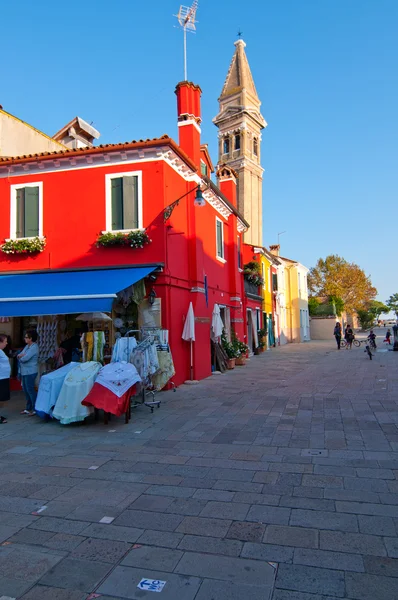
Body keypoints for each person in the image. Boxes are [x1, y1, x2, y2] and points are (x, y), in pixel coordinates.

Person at [18, 329, 39, 416]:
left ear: (31, 338)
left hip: (30, 371)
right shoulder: (27, 347)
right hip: (24, 371)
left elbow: (24, 358)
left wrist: (20, 357)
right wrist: (20, 356)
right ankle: (28, 407)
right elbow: (20, 355)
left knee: (30, 389)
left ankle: (34, 408)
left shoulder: (34, 347)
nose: (25, 339)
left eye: (26, 337)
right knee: (26, 390)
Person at [0, 334, 10, 423]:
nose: (6, 343)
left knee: (2, 398)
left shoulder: (1, 351)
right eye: (5, 342)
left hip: (3, 378)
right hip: (1, 378)